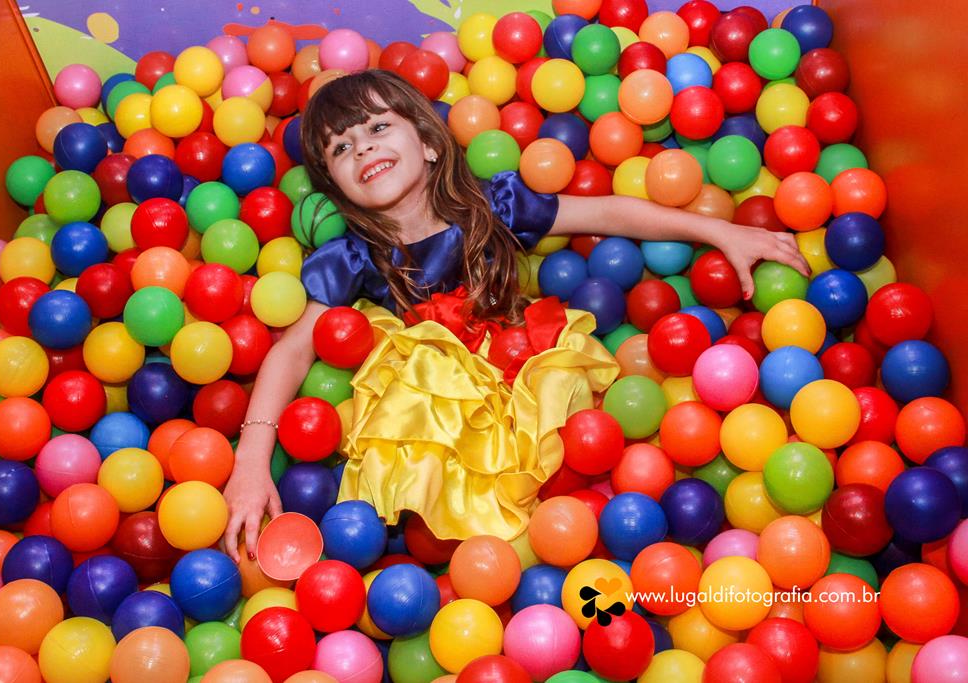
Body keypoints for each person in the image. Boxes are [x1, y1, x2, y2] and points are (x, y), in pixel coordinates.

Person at [221, 69, 809, 562]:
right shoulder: (350, 256)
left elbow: (609, 213)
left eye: (378, 128)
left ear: (428, 142)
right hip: (442, 415)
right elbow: (293, 349)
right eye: (341, 148)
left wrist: (718, 230)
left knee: (588, 450)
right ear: (339, 189)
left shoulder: (491, 205)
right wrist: (251, 463)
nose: (364, 148)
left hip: (525, 375)